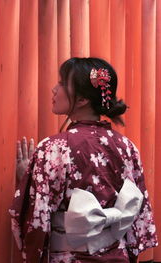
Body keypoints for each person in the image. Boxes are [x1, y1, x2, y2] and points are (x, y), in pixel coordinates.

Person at [10, 57, 158, 263]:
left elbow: (37, 221)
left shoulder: (53, 148)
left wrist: (28, 177)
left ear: (81, 100)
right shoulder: (127, 147)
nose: (54, 89)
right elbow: (138, 217)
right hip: (118, 255)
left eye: (61, 83)